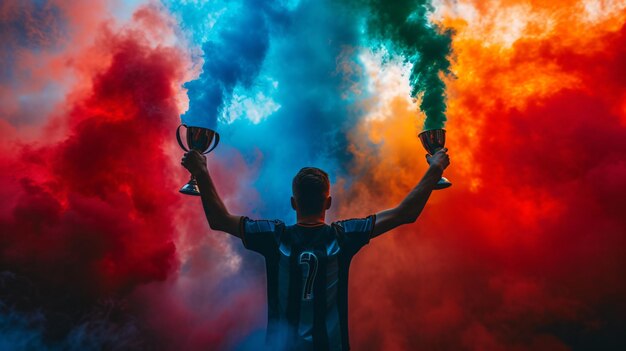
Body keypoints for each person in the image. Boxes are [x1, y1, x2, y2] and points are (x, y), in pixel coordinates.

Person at [181, 148, 450, 351]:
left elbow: (219, 220)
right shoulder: (344, 236)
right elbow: (405, 213)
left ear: (293, 203)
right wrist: (434, 169)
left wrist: (202, 171)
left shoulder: (274, 236)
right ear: (329, 202)